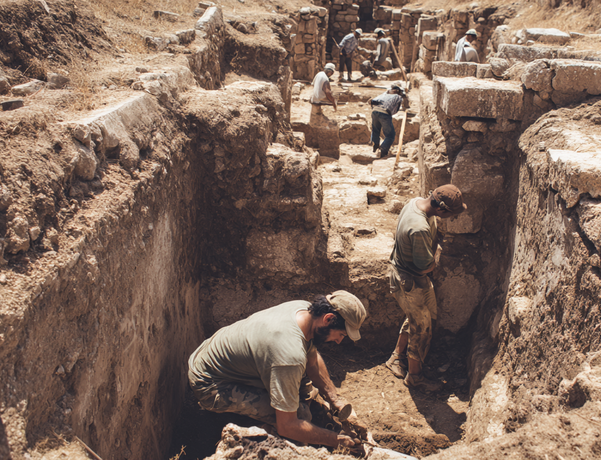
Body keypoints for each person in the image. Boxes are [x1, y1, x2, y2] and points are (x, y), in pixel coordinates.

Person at [188, 291, 372, 448]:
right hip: (211, 384)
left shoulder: (304, 311)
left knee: (303, 395)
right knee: (301, 414)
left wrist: (334, 399)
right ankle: (251, 433)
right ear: (329, 318)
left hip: (219, 358)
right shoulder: (288, 356)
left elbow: (312, 361)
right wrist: (335, 440)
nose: (340, 341)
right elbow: (289, 425)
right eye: (341, 334)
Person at [385, 185, 467, 392]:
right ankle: (415, 377)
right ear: (441, 209)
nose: (450, 219)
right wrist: (436, 257)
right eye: (451, 215)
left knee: (422, 317)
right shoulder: (419, 227)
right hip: (409, 281)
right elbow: (425, 266)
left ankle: (397, 356)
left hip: (412, 277)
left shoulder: (415, 202)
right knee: (421, 328)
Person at [369, 85, 405, 157]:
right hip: (384, 114)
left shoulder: (384, 94)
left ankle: (375, 145)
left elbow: (371, 101)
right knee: (390, 135)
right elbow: (402, 106)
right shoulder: (397, 97)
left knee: (376, 130)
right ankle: (383, 149)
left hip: (374, 111)